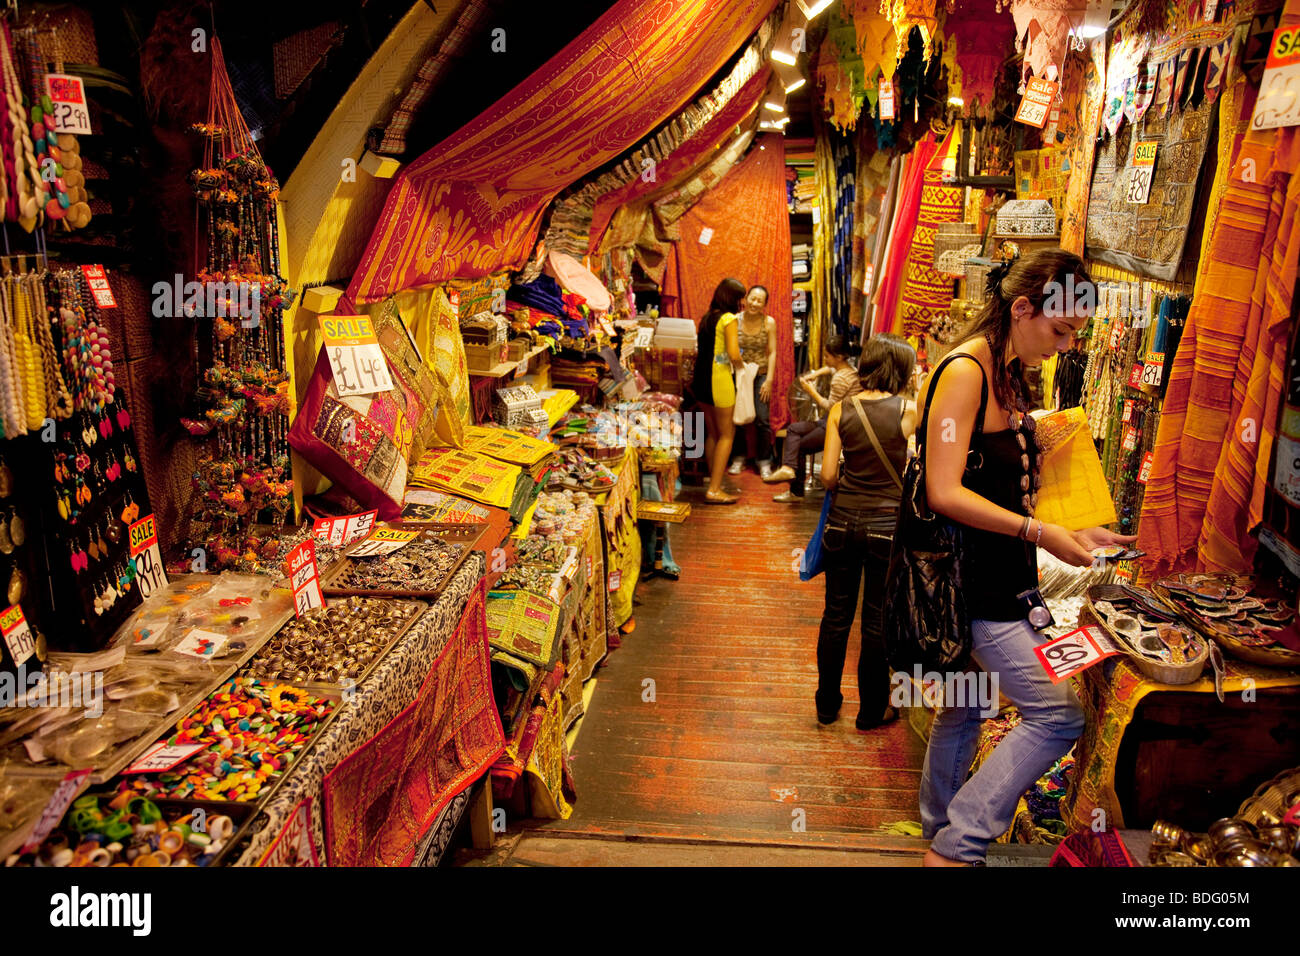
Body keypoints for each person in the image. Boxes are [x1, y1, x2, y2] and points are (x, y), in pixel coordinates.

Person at [914, 249, 1135, 866]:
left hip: (995, 570)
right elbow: (943, 489)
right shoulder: (965, 372)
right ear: (1021, 307)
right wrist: (1041, 533)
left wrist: (1074, 530)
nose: (1065, 346)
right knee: (1056, 714)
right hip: (975, 582)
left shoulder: (1006, 369)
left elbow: (994, 482)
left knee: (965, 705)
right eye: (1060, 330)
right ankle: (958, 845)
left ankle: (937, 830)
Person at [817, 333, 917, 730]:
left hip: (842, 522)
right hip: (886, 529)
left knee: (836, 615)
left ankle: (826, 705)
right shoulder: (909, 410)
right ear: (902, 370)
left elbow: (827, 475)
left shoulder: (841, 409)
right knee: (875, 620)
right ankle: (871, 710)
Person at [764, 334, 860, 501]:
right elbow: (830, 369)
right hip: (830, 420)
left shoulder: (840, 379)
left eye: (827, 356)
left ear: (838, 357)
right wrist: (815, 374)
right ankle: (788, 468)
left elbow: (830, 406)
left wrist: (811, 391)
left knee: (800, 446)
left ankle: (796, 491)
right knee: (793, 429)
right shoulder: (850, 370)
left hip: (838, 425)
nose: (825, 358)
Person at [691, 277, 746, 504]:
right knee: (726, 434)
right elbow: (733, 354)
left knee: (713, 433)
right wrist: (743, 366)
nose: (742, 303)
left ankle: (715, 480)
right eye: (740, 298)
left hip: (700, 381)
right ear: (732, 298)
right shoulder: (728, 318)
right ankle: (714, 489)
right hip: (719, 379)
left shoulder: (708, 317)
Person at [728, 285, 778, 479]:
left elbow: (772, 351)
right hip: (739, 374)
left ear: (765, 304)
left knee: (762, 419)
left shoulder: (769, 322)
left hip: (761, 374)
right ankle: (738, 457)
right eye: (752, 298)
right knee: (738, 417)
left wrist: (770, 380)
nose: (754, 303)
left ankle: (764, 461)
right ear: (746, 298)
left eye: (760, 301)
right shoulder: (734, 320)